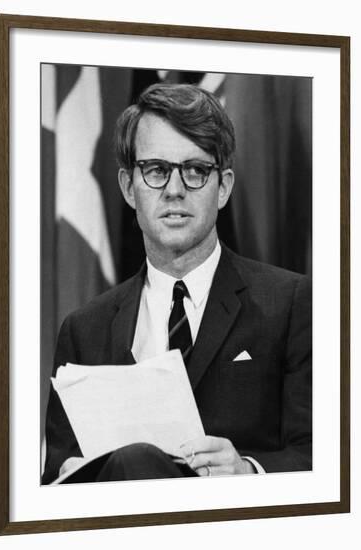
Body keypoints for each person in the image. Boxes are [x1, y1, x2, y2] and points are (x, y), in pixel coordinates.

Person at [41, 83, 312, 485]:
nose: (174, 189)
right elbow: (54, 481)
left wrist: (248, 471)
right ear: (128, 187)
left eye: (196, 171)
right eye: (155, 170)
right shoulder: (84, 329)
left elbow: (327, 455)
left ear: (223, 187)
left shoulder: (292, 302)